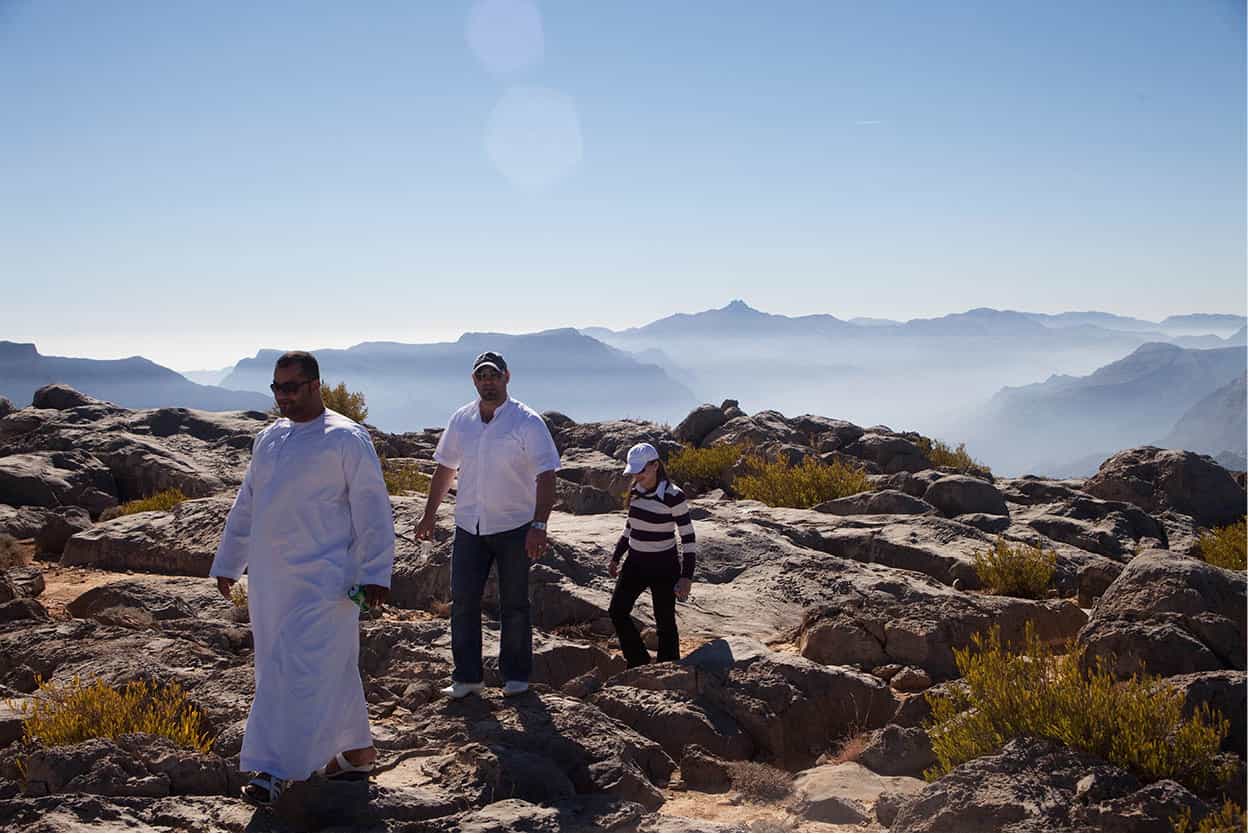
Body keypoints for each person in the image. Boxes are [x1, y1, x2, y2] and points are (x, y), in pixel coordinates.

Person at [210, 351, 395, 805]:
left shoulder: (346, 438)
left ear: (315, 385)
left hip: (327, 582)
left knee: (291, 669)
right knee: (322, 669)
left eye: (290, 388)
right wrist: (228, 562)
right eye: (276, 388)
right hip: (272, 583)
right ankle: (357, 752)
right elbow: (248, 504)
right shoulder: (269, 439)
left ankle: (273, 770)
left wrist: (375, 572)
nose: (282, 398)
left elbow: (372, 508)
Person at [414, 351, 560, 699]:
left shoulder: (527, 421)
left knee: (514, 604)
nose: (488, 382)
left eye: (494, 375)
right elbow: (445, 468)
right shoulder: (462, 419)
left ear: (506, 377)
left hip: (514, 526)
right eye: (482, 376)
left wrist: (539, 524)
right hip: (469, 526)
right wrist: (429, 514)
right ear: (474, 380)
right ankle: (467, 678)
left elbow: (547, 475)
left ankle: (516, 678)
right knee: (463, 601)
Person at [608, 442, 696, 667]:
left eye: (642, 470)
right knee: (617, 611)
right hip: (635, 563)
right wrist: (616, 557)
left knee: (665, 622)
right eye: (634, 471)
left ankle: (669, 670)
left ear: (655, 465)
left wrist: (686, 577)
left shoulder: (673, 496)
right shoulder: (636, 492)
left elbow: (688, 538)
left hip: (664, 566)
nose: (637, 475)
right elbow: (629, 529)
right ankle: (638, 661)